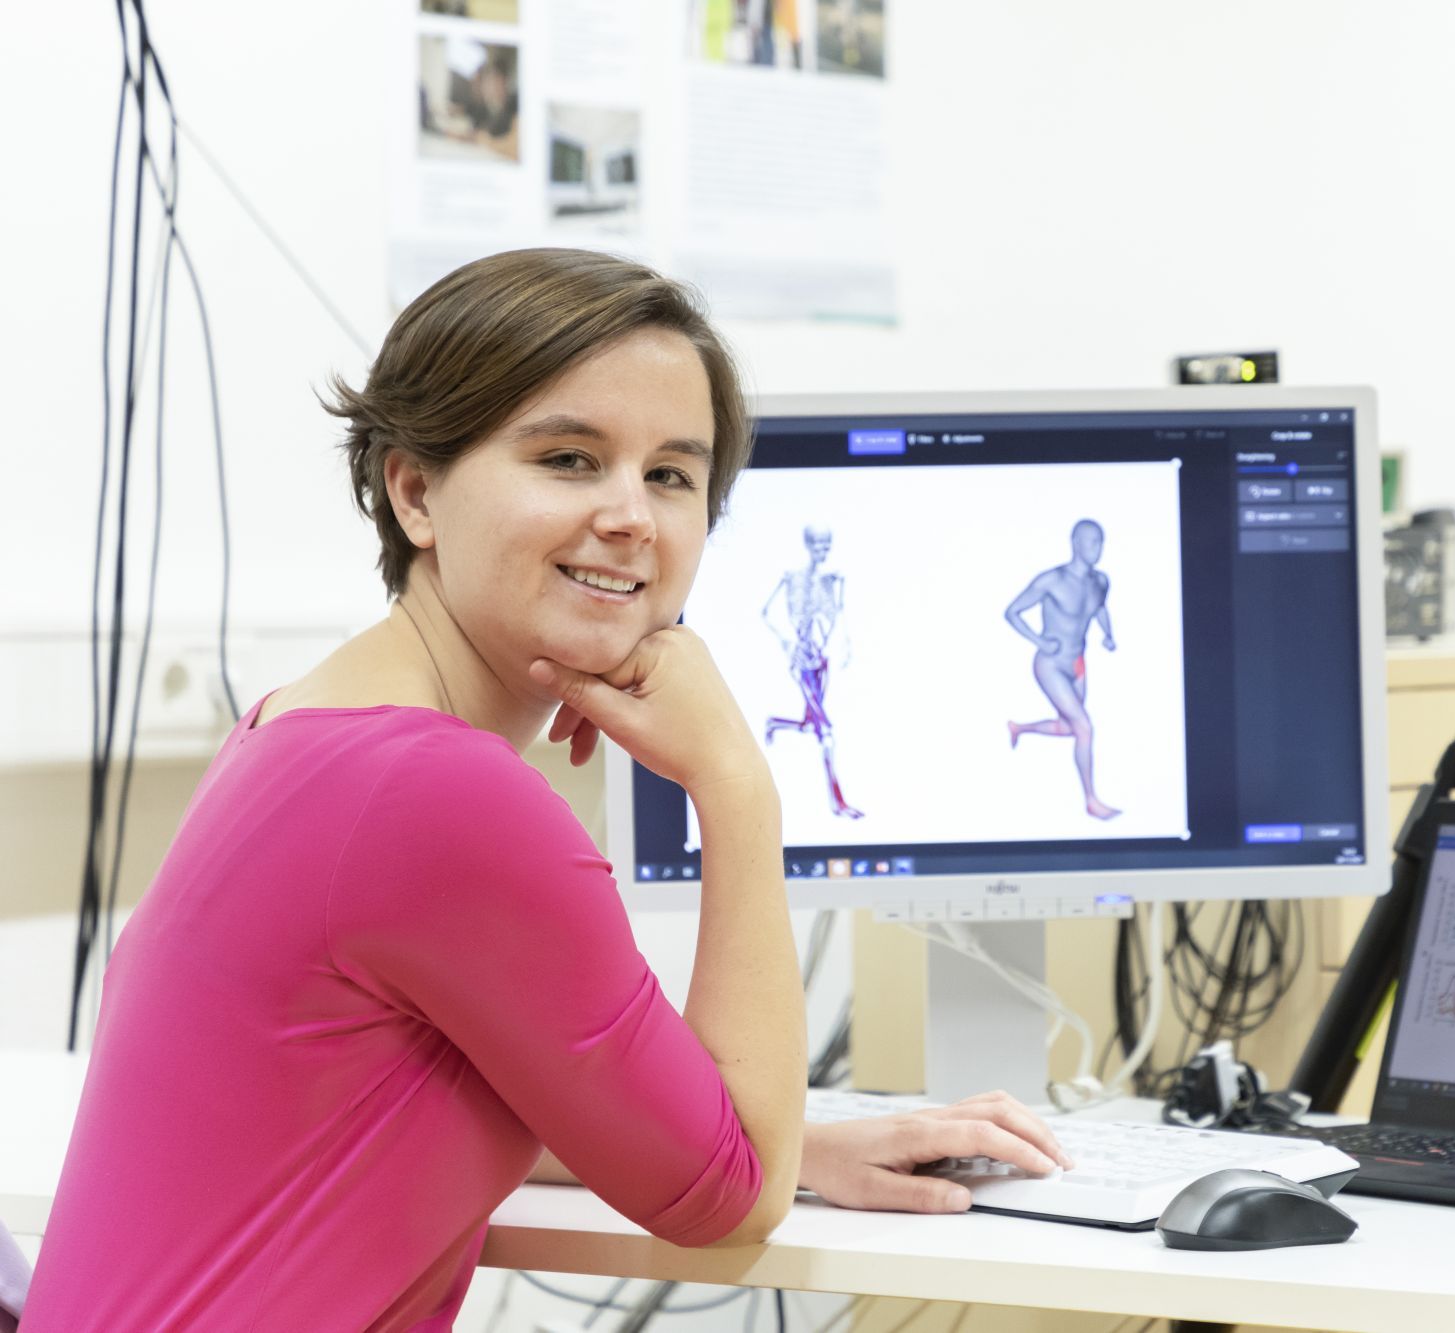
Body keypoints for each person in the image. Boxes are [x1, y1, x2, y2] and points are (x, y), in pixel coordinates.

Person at [22, 249, 1071, 1331]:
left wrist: (801, 1144)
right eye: (570, 459)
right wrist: (735, 784)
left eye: (672, 475)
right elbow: (734, 1200)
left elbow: (497, 1089)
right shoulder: (442, 795)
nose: (633, 516)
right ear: (416, 492)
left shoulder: (300, 726)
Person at [1005, 519, 1120, 820]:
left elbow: (1099, 608)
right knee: (1084, 728)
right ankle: (1091, 800)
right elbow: (1012, 611)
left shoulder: (1100, 581)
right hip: (1051, 664)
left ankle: (1019, 728)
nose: (1097, 548)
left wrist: (1108, 634)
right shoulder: (1052, 580)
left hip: (1077, 663)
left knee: (1070, 727)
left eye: (1101, 541)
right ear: (1076, 543)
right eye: (1092, 541)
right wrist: (1039, 641)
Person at [762, 524, 864, 818]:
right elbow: (767, 613)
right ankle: (838, 803)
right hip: (802, 664)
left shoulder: (834, 580)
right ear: (808, 545)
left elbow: (839, 614)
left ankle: (774, 723)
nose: (823, 550)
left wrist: (846, 645)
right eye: (818, 544)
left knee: (811, 726)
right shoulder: (792, 578)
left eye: (827, 544)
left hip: (822, 662)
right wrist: (787, 642)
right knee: (826, 733)